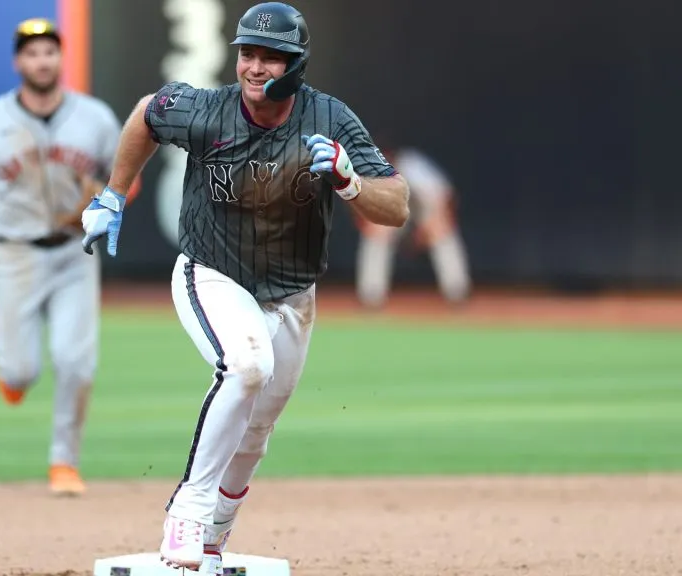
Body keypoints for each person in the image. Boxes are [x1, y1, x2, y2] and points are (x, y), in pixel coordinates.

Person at [79, 2, 409, 572]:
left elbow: (397, 205)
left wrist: (350, 182)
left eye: (270, 57)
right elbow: (147, 114)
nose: (255, 67)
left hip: (292, 293)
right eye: (247, 54)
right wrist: (112, 194)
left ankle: (216, 534)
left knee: (257, 430)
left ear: (296, 65)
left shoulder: (329, 119)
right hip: (212, 272)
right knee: (247, 366)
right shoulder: (208, 110)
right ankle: (189, 509)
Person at [0, 17, 133, 497]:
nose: (42, 60)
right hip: (14, 253)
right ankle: (13, 377)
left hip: (74, 252)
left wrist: (105, 199)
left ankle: (64, 461)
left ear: (60, 58)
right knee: (19, 370)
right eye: (32, 53)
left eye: (49, 51)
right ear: (17, 62)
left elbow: (126, 177)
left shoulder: (95, 118)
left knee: (76, 361)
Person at [353, 146, 472, 308]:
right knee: (377, 232)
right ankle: (371, 295)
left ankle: (457, 291)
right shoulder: (369, 172)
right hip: (395, 208)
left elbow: (444, 199)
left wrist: (424, 232)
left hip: (426, 207)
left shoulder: (413, 167)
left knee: (440, 230)